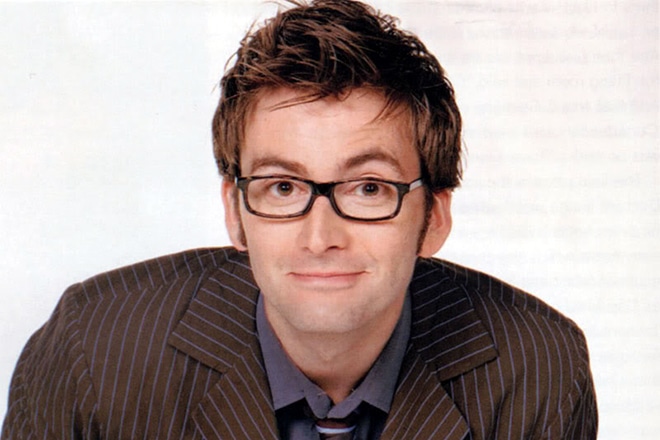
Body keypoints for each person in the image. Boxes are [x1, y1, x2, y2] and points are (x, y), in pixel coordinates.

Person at [1, 0, 597, 438]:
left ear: (434, 217)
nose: (320, 238)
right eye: (283, 187)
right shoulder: (93, 348)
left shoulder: (538, 366)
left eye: (368, 188)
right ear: (236, 213)